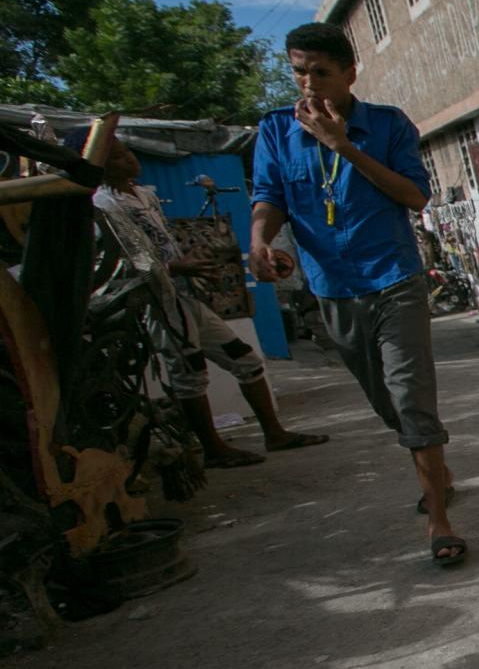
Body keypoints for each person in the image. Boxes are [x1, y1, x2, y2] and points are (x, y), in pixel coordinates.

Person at [247, 22, 466, 567]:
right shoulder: (276, 131)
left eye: (320, 72)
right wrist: (259, 239)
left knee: (411, 392)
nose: (308, 84)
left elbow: (415, 196)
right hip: (333, 288)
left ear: (349, 73)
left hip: (394, 278)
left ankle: (439, 519)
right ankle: (438, 470)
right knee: (385, 401)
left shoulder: (387, 126)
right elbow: (269, 196)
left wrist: (342, 147)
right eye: (299, 71)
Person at [72, 126, 328, 469]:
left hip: (181, 296)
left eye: (126, 150)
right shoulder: (103, 205)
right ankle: (213, 448)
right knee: (189, 371)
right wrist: (176, 267)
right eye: (117, 155)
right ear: (99, 164)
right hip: (156, 301)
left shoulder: (143, 195)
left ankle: (275, 433)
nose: (129, 157)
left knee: (245, 359)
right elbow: (125, 262)